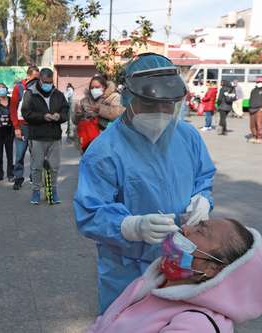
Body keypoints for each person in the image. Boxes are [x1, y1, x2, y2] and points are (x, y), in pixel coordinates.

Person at [73, 53, 216, 314]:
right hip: (128, 272)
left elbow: (202, 177)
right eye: (152, 104)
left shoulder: (187, 136)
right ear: (130, 99)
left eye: (169, 104)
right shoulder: (105, 150)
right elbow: (89, 213)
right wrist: (131, 226)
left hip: (183, 264)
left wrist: (203, 199)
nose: (162, 112)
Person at [87, 218, 262, 333]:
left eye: (200, 230)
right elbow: (106, 322)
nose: (185, 228)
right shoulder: (155, 282)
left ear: (213, 268)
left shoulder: (196, 325)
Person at [21, 68, 69, 205]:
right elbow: (26, 114)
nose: (48, 84)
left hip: (54, 137)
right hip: (37, 137)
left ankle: (53, 191)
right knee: (36, 166)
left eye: (50, 82)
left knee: (54, 166)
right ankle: (36, 191)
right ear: (40, 80)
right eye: (46, 82)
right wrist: (43, 117)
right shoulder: (30, 94)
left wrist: (59, 116)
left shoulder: (58, 94)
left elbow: (65, 110)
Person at [72, 74, 125, 153]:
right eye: (92, 88)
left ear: (104, 87)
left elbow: (119, 113)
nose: (94, 90)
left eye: (97, 87)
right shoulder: (84, 100)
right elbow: (75, 121)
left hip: (107, 141)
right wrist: (78, 113)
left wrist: (100, 110)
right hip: (87, 142)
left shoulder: (114, 97)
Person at [10, 65, 40, 190]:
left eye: (38, 78)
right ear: (28, 76)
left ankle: (34, 177)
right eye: (34, 77)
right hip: (22, 127)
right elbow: (13, 108)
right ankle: (18, 178)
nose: (36, 80)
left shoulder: (39, 88)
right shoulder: (19, 88)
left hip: (35, 127)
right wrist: (16, 127)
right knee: (20, 154)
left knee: (36, 154)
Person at [248, 77, 262, 144]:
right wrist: (249, 107)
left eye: (260, 82)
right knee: (252, 125)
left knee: (259, 124)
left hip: (260, 109)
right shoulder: (253, 90)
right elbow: (251, 99)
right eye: (257, 82)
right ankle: (254, 136)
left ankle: (259, 137)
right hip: (252, 109)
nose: (259, 83)